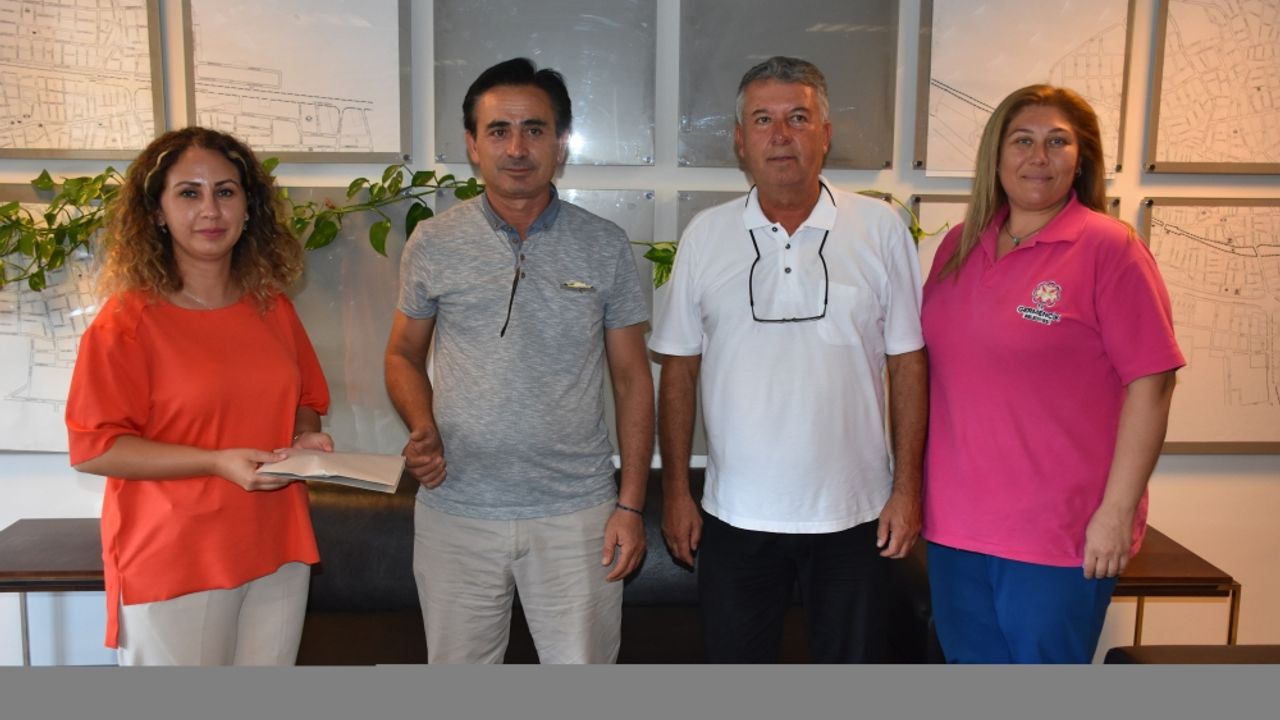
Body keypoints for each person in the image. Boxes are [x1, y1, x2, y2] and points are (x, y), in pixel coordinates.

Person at [649, 56, 928, 663]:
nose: (781, 135)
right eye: (763, 119)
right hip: (736, 518)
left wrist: (908, 490)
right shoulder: (705, 235)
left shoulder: (880, 229)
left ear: (825, 133)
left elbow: (908, 362)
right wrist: (675, 492)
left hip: (856, 516)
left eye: (798, 118)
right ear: (740, 140)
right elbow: (679, 370)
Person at [385, 57, 653, 664]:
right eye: (498, 131)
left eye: (534, 129)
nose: (516, 148)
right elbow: (402, 353)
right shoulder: (433, 241)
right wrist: (422, 426)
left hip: (577, 514)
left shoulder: (604, 244)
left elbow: (633, 380)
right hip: (456, 510)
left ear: (560, 143)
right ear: (472, 145)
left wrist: (631, 505)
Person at [921, 85, 1184, 663]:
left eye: (1057, 142)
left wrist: (1117, 513)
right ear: (996, 156)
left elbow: (1154, 384)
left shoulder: (1110, 249)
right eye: (1022, 141)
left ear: (1081, 158)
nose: (1038, 157)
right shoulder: (958, 247)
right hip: (954, 527)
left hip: (1057, 534)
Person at [65, 127, 333, 666]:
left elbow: (307, 399)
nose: (210, 210)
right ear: (157, 212)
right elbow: (95, 448)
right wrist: (214, 462)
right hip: (176, 556)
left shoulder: (272, 307)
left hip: (276, 543)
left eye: (225, 191)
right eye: (189, 193)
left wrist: (304, 436)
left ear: (249, 208)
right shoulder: (126, 322)